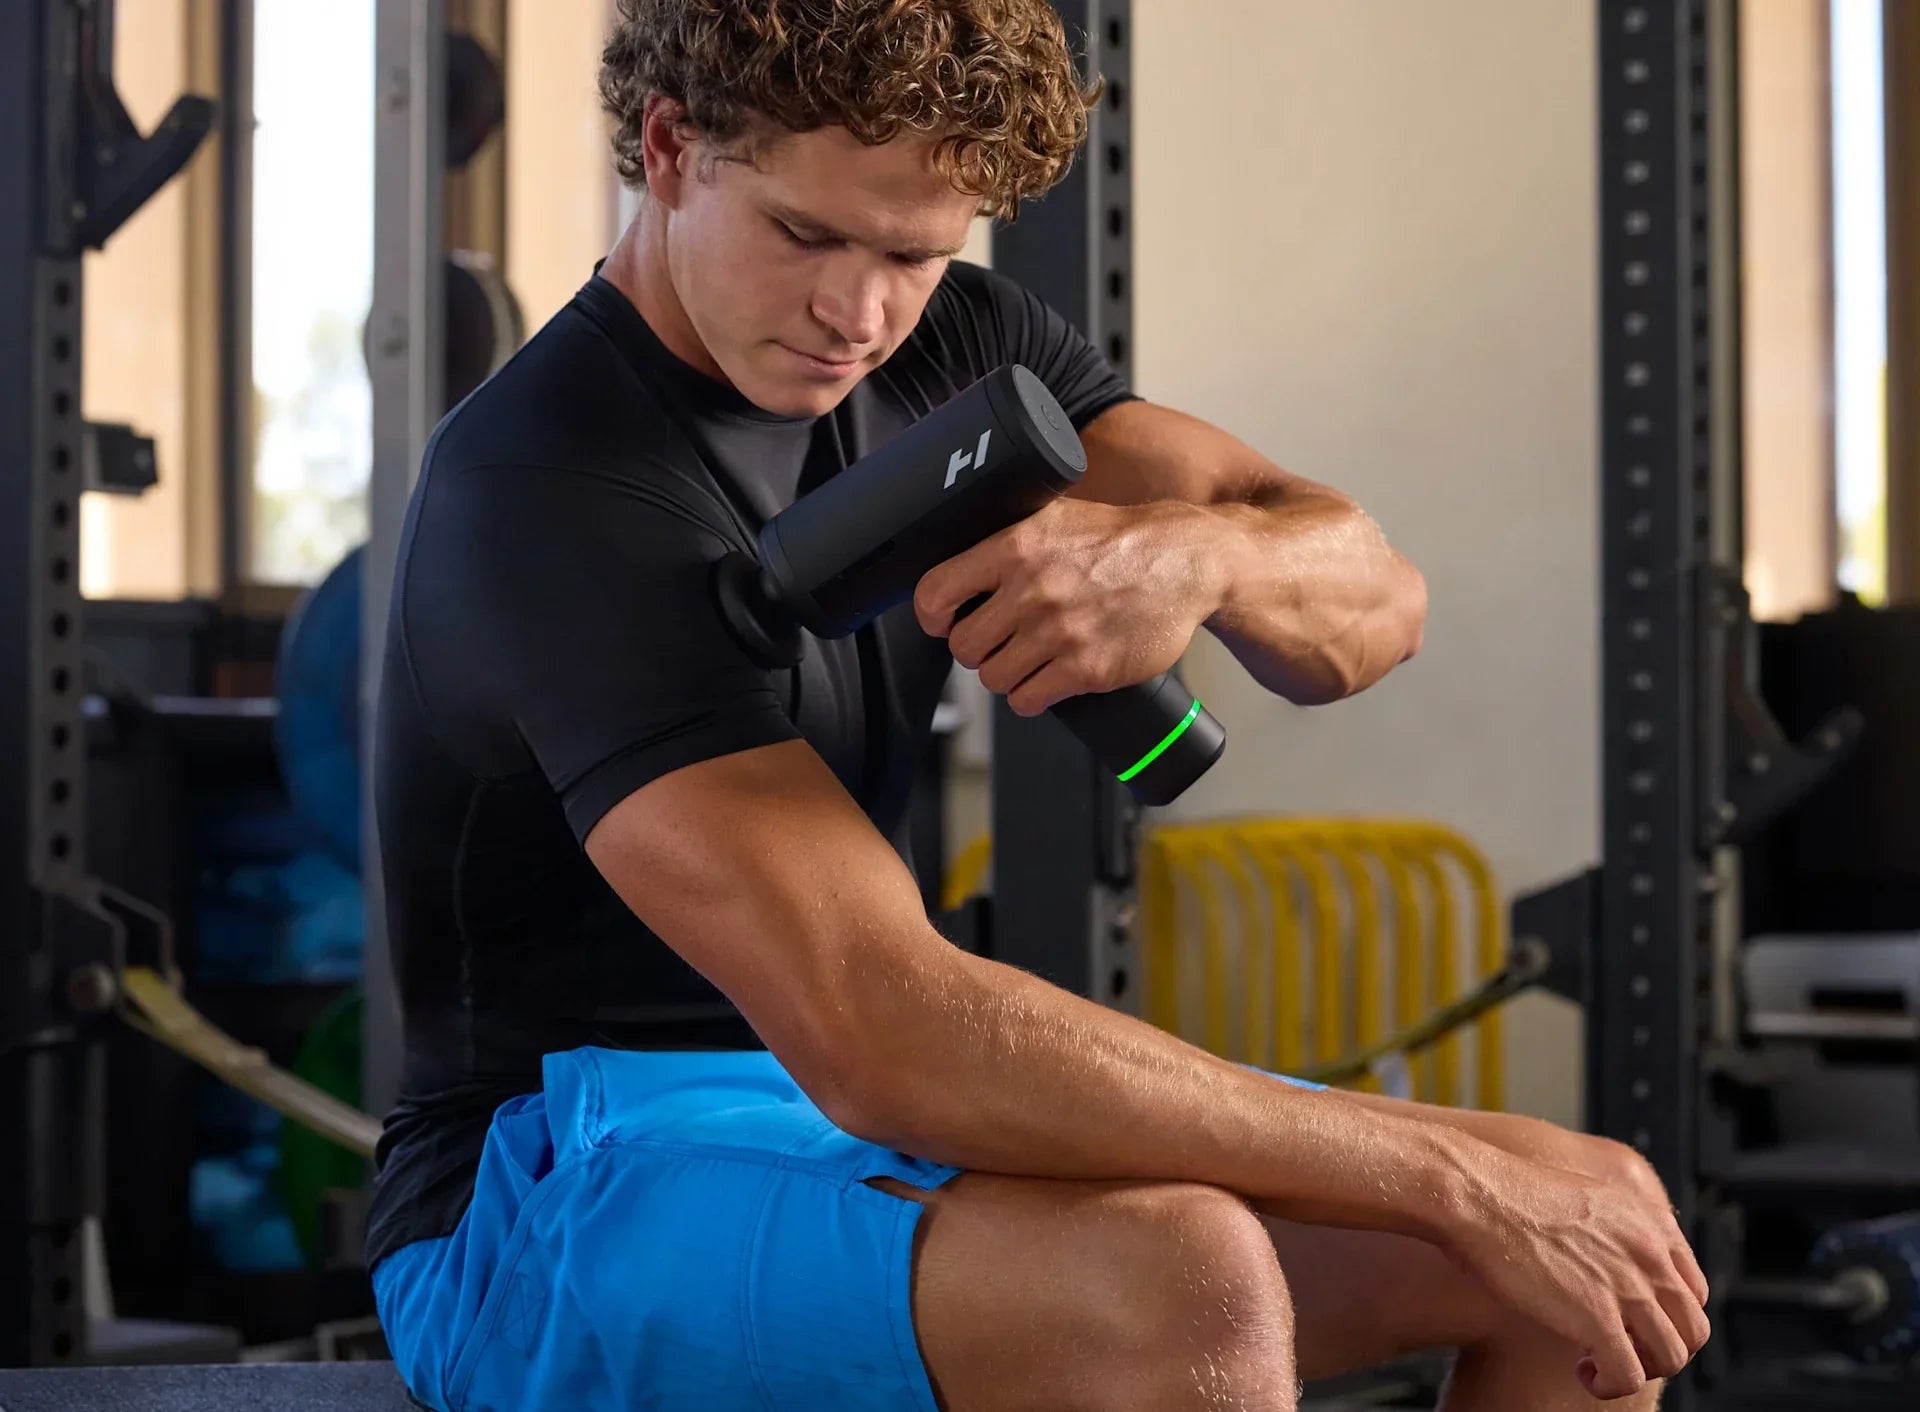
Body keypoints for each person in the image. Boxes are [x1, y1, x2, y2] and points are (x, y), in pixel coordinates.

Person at [364, 2, 1710, 1409]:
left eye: (913, 255)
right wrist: (1443, 1176)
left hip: (825, 1129)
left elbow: (1378, 608)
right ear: (669, 146)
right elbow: (881, 1031)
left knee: (1591, 1213)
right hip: (537, 1191)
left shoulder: (948, 351)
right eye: (807, 235)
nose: (857, 314)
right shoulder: (549, 488)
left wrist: (1198, 556)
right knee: (1183, 1278)